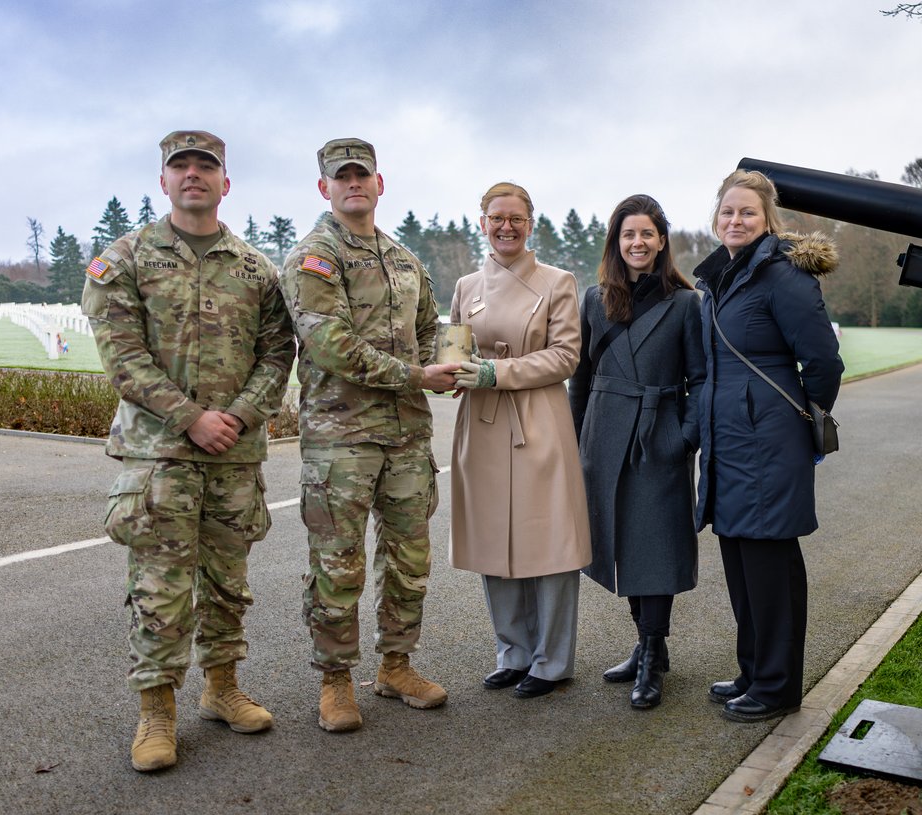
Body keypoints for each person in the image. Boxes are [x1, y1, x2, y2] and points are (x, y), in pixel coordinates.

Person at [82, 131, 296, 772]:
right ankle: (156, 712)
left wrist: (237, 416)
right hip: (160, 455)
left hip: (235, 452)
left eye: (207, 167)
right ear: (164, 182)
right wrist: (190, 418)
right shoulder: (124, 259)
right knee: (160, 588)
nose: (194, 176)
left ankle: (222, 688)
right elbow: (121, 356)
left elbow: (277, 350)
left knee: (228, 582)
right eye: (182, 167)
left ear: (225, 184)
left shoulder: (257, 268)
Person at [279, 138, 459, 733]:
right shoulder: (314, 256)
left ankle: (395, 665)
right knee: (339, 563)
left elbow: (430, 326)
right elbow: (326, 343)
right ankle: (335, 681)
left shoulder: (404, 260)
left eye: (363, 175)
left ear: (380, 185)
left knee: (410, 557)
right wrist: (414, 375)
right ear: (324, 188)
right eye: (342, 176)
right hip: (342, 438)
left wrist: (451, 365)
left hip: (407, 435)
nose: (354, 184)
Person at [692, 170, 843, 723]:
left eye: (747, 213)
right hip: (728, 438)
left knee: (770, 559)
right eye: (728, 212)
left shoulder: (782, 276)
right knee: (739, 556)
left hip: (768, 439)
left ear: (768, 220)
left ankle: (778, 686)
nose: (736, 221)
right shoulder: (722, 278)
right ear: (716, 220)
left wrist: (799, 419)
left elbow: (824, 362)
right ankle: (754, 669)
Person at [449, 181, 591, 700]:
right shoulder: (467, 286)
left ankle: (551, 661)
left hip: (538, 421)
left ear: (531, 223)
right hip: (483, 424)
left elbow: (565, 357)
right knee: (493, 540)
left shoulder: (558, 281)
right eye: (496, 218)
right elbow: (454, 350)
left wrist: (494, 372)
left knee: (548, 541)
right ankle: (513, 652)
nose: (506, 226)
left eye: (516, 218)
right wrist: (446, 374)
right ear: (482, 222)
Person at [568, 194, 705, 709]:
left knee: (656, 544)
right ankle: (646, 641)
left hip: (657, 437)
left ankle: (652, 649)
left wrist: (681, 437)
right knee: (621, 541)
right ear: (616, 242)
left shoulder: (686, 303)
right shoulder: (594, 299)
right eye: (628, 234)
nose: (638, 242)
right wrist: (580, 441)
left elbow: (702, 379)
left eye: (647, 233)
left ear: (662, 240)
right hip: (603, 436)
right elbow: (579, 378)